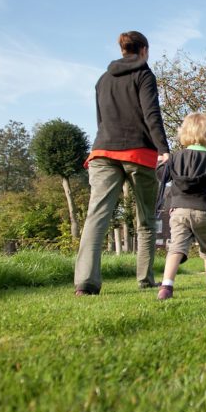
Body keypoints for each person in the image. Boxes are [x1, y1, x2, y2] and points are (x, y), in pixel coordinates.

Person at [74, 31, 170, 296]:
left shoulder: (102, 80)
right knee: (146, 219)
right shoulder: (144, 75)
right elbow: (152, 114)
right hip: (138, 153)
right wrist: (164, 149)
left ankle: (86, 282)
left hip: (103, 151)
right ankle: (144, 278)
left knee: (97, 216)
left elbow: (100, 120)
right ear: (144, 50)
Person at [156, 112, 206, 300]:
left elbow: (161, 176)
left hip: (178, 210)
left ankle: (166, 286)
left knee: (176, 248)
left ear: (184, 132)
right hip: (204, 211)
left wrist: (163, 163)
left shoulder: (176, 157)